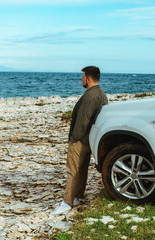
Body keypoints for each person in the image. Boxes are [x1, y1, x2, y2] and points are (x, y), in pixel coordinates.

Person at [51, 66, 108, 215]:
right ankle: (77, 197)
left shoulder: (90, 96)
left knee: (73, 171)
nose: (81, 79)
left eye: (82, 77)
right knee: (81, 171)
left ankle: (67, 202)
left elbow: (83, 120)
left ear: (88, 78)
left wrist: (74, 139)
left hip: (81, 140)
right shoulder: (101, 95)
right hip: (90, 138)